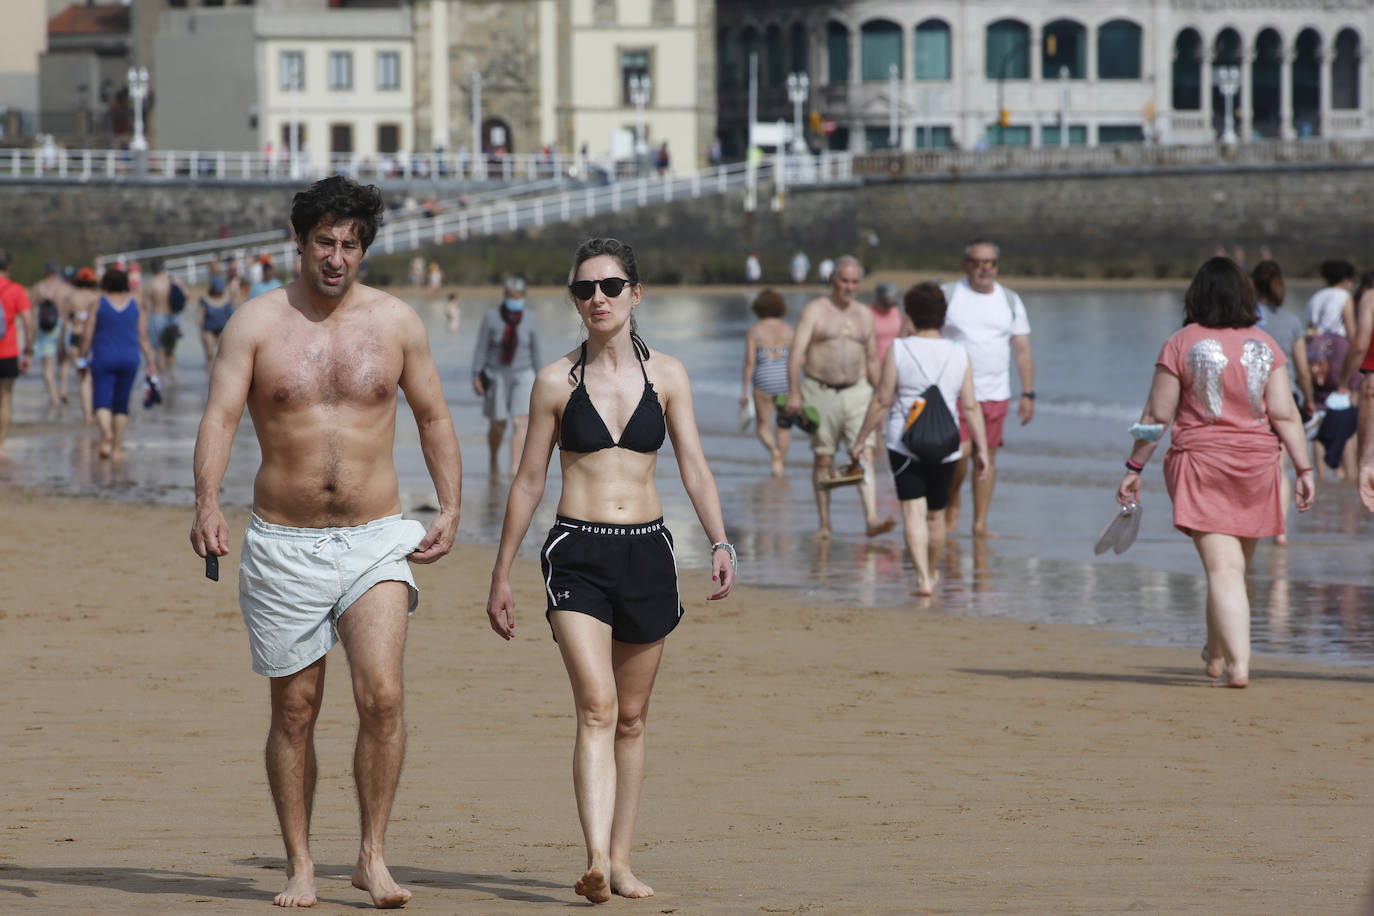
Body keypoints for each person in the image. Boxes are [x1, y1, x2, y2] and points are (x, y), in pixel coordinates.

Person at [189, 175, 463, 908]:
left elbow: (434, 417)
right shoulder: (255, 323)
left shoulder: (398, 323)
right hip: (283, 542)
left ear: (363, 248)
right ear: (300, 242)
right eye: (324, 242)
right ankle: (301, 865)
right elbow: (219, 418)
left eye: (349, 244)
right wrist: (207, 503)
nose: (336, 257)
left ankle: (372, 857)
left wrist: (453, 506)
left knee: (382, 698)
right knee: (296, 711)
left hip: (376, 536)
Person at [484, 237, 734, 904]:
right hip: (577, 553)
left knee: (631, 718)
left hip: (649, 552)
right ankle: (595, 858)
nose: (597, 298)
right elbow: (529, 481)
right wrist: (501, 572)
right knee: (596, 706)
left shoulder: (670, 377)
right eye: (584, 289)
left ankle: (621, 860)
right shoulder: (554, 383)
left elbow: (695, 468)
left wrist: (721, 542)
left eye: (610, 286)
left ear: (635, 294)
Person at [1117, 257, 1313, 688]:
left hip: (1202, 463)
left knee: (1223, 570)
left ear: (1196, 295)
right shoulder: (1265, 344)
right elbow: (1284, 413)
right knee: (1231, 569)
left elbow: (1156, 413)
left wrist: (1135, 465)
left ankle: (1238, 666)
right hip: (1258, 466)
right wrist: (1303, 467)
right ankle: (1216, 654)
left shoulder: (1180, 342)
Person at [853, 282, 989, 595]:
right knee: (936, 514)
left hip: (904, 443)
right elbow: (969, 405)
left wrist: (862, 438)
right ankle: (933, 568)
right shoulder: (959, 352)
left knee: (912, 512)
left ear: (910, 315)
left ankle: (922, 578)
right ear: (943, 315)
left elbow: (882, 400)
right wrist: (981, 448)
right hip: (947, 445)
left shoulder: (899, 349)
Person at [783, 255, 896, 538]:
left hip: (859, 391)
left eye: (855, 282)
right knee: (824, 458)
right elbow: (796, 353)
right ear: (834, 280)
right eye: (844, 281)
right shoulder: (815, 310)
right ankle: (824, 524)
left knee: (864, 453)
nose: (849, 287)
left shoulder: (865, 314)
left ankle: (871, 518)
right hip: (820, 391)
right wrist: (794, 392)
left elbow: (871, 359)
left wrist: (883, 394)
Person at [941, 239, 1035, 537]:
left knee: (987, 457)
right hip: (953, 392)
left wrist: (1028, 393)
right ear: (965, 264)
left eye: (990, 262)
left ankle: (980, 523)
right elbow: (922, 331)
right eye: (978, 262)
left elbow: (1021, 348)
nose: (984, 268)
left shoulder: (1010, 300)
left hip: (996, 393)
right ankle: (952, 501)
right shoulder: (949, 294)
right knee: (960, 454)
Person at [1252, 260, 1313, 544]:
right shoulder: (1291, 321)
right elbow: (1302, 368)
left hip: (1250, 400)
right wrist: (1309, 399)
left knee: (1251, 467)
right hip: (1285, 397)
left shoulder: (1244, 320)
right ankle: (1280, 531)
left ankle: (1250, 523)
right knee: (1280, 468)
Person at [75, 266, 158, 460]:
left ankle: (107, 434)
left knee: (102, 400)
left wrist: (81, 359)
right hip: (130, 358)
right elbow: (143, 336)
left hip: (104, 357)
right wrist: (151, 362)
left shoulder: (98, 304)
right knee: (122, 404)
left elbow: (86, 335)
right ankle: (118, 448)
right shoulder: (135, 304)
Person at [472, 276, 542, 475]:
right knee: (498, 424)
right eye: (512, 296)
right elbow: (481, 348)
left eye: (519, 296)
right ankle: (493, 458)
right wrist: (476, 374)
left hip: (524, 374)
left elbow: (536, 351)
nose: (516, 299)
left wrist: (540, 378)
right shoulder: (491, 317)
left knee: (521, 422)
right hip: (496, 375)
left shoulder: (531, 318)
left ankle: (513, 469)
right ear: (505, 296)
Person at [740, 288, 794, 477]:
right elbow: (796, 360)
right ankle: (779, 466)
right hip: (785, 382)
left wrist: (744, 390)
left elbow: (749, 363)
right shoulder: (789, 330)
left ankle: (774, 452)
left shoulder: (754, 331)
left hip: (763, 382)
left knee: (763, 427)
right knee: (783, 427)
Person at [0, 248, 35, 457]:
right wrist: (28, 352)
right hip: (8, 352)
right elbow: (29, 324)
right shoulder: (15, 290)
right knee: (5, 397)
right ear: (9, 268)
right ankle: (0, 445)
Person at [30, 261, 68, 408]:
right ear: (58, 273)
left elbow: (28, 307)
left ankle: (53, 396)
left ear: (46, 272)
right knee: (63, 360)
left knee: (47, 365)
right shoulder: (65, 288)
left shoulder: (38, 287)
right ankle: (63, 388)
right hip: (63, 325)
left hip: (44, 327)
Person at [64, 267, 99, 424]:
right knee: (93, 377)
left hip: (75, 336)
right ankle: (94, 411)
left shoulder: (72, 297)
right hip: (92, 339)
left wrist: (60, 346)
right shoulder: (97, 298)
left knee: (82, 377)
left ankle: (87, 415)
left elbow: (65, 323)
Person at [142, 257, 180, 386]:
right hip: (173, 317)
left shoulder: (151, 283)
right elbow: (185, 295)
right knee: (171, 349)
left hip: (157, 317)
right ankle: (172, 377)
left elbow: (145, 307)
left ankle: (162, 380)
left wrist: (142, 325)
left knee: (159, 349)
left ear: (152, 269)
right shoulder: (173, 280)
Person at [1305, 259, 1355, 338]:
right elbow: (1350, 328)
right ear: (1345, 279)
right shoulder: (1345, 296)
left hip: (1315, 343)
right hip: (1337, 342)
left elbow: (1311, 325)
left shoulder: (1316, 296)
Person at [870, 281, 914, 364]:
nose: (889, 307)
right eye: (886, 303)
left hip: (894, 361)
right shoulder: (869, 314)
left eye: (892, 303)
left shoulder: (896, 312)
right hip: (876, 363)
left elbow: (906, 333)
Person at [196, 275, 234, 368]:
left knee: (226, 355)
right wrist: (201, 333)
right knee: (210, 354)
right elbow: (200, 317)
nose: (219, 291)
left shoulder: (227, 298)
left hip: (223, 330)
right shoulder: (205, 300)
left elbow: (233, 316)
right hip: (209, 330)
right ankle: (208, 375)